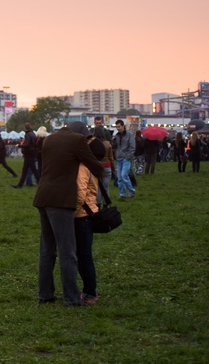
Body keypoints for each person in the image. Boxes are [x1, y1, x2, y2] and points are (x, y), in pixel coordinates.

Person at [33, 121, 104, 307]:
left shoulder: (49, 139)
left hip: (43, 196)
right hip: (62, 200)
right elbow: (95, 166)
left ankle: (45, 294)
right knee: (68, 252)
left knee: (47, 250)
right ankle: (71, 297)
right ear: (81, 133)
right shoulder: (78, 140)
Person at [74, 137, 107, 304]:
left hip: (81, 215)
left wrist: (70, 212)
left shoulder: (83, 167)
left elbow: (79, 193)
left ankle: (89, 293)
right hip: (91, 212)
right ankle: (91, 290)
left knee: (82, 256)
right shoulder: (95, 167)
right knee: (85, 255)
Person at [13, 123, 40, 188]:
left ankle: (20, 184)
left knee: (31, 170)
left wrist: (19, 145)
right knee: (27, 170)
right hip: (32, 153)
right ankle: (20, 184)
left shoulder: (28, 135)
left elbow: (27, 145)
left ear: (25, 127)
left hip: (28, 154)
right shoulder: (33, 134)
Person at [113, 120, 135, 199]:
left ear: (123, 126)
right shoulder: (116, 136)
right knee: (119, 178)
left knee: (124, 175)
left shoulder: (129, 135)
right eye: (116, 127)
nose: (118, 128)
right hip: (118, 158)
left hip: (126, 158)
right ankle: (122, 194)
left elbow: (132, 147)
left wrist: (128, 157)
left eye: (119, 126)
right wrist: (113, 142)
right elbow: (115, 147)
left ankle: (131, 191)